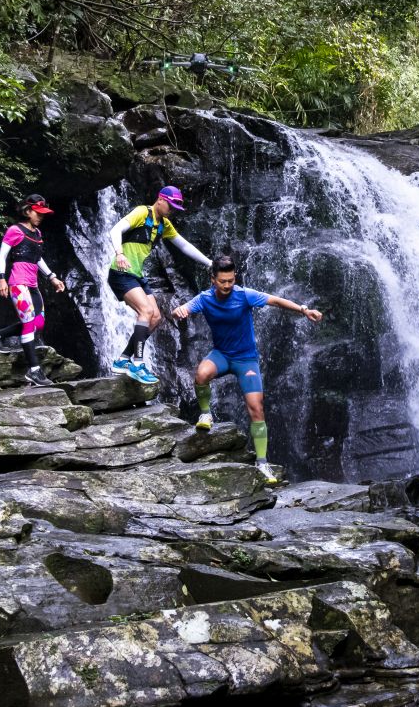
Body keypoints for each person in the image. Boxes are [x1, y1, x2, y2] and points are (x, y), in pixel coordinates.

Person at [172, 255, 322, 485]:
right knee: (201, 374)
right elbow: (185, 308)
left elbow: (276, 301)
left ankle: (262, 463)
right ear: (213, 280)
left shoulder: (244, 295)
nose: (227, 285)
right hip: (222, 355)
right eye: (223, 281)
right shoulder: (204, 298)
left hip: (246, 360)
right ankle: (206, 414)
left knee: (256, 409)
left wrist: (303, 310)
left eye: (231, 280)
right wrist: (179, 311)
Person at [106, 185, 210, 383]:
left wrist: (210, 264)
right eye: (170, 206)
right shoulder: (142, 212)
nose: (171, 211)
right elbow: (115, 229)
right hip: (121, 272)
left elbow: (184, 245)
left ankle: (122, 359)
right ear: (160, 199)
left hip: (137, 275)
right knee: (145, 311)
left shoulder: (164, 224)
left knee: (155, 318)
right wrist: (119, 254)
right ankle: (137, 364)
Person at [0, 193, 66, 385]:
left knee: (39, 323)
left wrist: (52, 277)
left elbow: (38, 258)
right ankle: (34, 371)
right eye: (38, 213)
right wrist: (1, 279)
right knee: (28, 323)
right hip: (18, 283)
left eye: (43, 214)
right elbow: (2, 256)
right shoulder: (14, 230)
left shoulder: (37, 234)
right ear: (28, 211)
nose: (41, 217)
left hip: (33, 285)